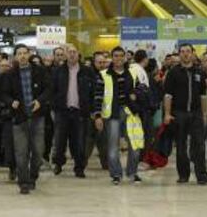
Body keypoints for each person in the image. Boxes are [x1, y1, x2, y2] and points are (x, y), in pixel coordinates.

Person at [0, 44, 52, 195]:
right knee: (21, 152)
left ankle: (33, 176)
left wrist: (40, 101)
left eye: (25, 53)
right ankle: (23, 182)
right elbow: (3, 94)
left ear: (29, 55)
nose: (22, 56)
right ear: (15, 57)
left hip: (37, 117)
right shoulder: (9, 74)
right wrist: (11, 102)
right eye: (19, 53)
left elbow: (49, 89)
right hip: (19, 118)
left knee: (37, 151)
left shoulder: (40, 71)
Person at [163, 43, 207, 185]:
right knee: (181, 146)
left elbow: (204, 96)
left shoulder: (200, 72)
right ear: (179, 54)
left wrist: (205, 114)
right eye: (183, 51)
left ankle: (201, 175)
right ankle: (183, 175)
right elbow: (168, 96)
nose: (185, 54)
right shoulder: (173, 72)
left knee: (199, 145)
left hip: (196, 114)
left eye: (188, 51)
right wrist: (167, 114)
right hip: (179, 114)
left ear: (192, 53)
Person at [93, 46, 143, 185]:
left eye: (121, 56)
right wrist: (97, 116)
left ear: (125, 57)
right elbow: (97, 96)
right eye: (116, 56)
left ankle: (132, 172)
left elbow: (141, 88)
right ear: (112, 57)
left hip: (130, 113)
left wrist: (136, 94)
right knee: (112, 146)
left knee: (135, 144)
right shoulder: (103, 74)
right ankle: (116, 174)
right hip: (112, 114)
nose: (119, 58)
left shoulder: (133, 73)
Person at [52, 45, 93, 178]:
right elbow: (52, 90)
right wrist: (55, 106)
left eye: (74, 52)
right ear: (65, 54)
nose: (72, 54)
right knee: (59, 141)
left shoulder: (87, 71)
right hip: (62, 111)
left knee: (79, 142)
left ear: (78, 54)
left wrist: (90, 108)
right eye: (69, 52)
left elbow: (93, 91)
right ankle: (58, 163)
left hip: (80, 112)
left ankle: (79, 167)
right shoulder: (58, 71)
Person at [85, 52, 108, 170]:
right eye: (99, 62)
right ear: (94, 63)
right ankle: (82, 163)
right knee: (89, 139)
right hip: (90, 112)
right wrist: (91, 112)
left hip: (105, 112)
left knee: (104, 139)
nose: (102, 64)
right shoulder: (88, 75)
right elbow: (87, 95)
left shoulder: (108, 75)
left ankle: (106, 164)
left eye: (104, 62)